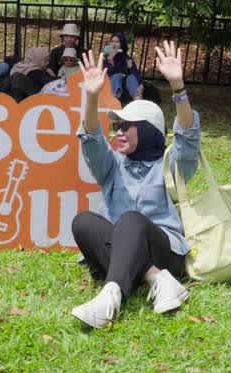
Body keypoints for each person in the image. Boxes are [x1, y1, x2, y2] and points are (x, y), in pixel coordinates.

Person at [69, 41, 199, 328]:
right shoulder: (112, 165)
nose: (118, 132)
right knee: (83, 222)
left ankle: (109, 298)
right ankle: (156, 278)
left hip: (164, 250)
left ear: (148, 131)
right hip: (123, 249)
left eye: (127, 126)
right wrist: (91, 96)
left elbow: (188, 136)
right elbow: (91, 138)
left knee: (130, 220)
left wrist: (178, 87)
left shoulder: (170, 166)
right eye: (116, 126)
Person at [105, 31, 139, 102]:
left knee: (131, 77)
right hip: (110, 88)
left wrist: (141, 84)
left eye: (117, 42)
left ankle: (138, 101)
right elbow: (104, 75)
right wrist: (110, 62)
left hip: (125, 89)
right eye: (112, 42)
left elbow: (134, 73)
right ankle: (112, 102)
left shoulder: (127, 58)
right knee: (116, 76)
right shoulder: (106, 58)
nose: (114, 44)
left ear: (122, 44)